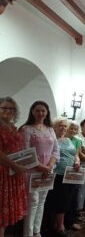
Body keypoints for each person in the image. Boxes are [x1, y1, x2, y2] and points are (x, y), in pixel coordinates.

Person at [20, 101, 60, 237]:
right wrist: (40, 167)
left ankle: (37, 231)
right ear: (32, 111)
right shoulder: (26, 129)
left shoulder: (50, 129)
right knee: (33, 202)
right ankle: (28, 233)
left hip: (48, 170)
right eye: (37, 110)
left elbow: (56, 150)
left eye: (43, 110)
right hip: (32, 170)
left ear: (47, 112)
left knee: (42, 201)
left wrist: (49, 167)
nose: (40, 113)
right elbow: (26, 152)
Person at [45, 117, 80, 237]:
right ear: (54, 126)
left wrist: (77, 161)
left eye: (65, 126)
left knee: (67, 199)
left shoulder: (68, 139)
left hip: (70, 174)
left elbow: (75, 154)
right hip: (57, 174)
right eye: (60, 125)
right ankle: (59, 227)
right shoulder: (51, 139)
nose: (63, 128)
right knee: (59, 200)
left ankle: (59, 224)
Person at [0, 97, 27, 237]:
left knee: (5, 215)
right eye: (4, 108)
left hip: (14, 172)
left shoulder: (13, 127)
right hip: (3, 173)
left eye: (11, 108)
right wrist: (15, 166)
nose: (8, 111)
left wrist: (22, 164)